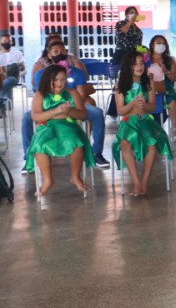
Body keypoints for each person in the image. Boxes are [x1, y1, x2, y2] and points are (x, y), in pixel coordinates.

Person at [22, 39, 110, 172]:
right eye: (56, 51)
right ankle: (29, 157)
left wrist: (70, 107)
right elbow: (43, 96)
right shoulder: (41, 74)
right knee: (27, 118)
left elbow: (81, 94)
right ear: (49, 55)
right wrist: (56, 111)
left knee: (97, 113)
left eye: (63, 51)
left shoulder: (76, 72)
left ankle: (96, 153)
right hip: (48, 107)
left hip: (72, 104)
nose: (60, 54)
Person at [25, 64, 93, 196]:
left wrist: (69, 111)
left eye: (63, 80)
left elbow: (82, 114)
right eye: (56, 80)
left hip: (68, 126)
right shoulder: (40, 95)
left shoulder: (72, 93)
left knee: (77, 143)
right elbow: (36, 116)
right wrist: (55, 112)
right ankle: (47, 180)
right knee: (40, 145)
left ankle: (75, 177)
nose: (60, 83)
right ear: (48, 80)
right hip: (47, 126)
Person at [113, 51, 173, 196]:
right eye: (135, 64)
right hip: (128, 122)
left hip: (145, 120)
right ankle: (136, 181)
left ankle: (145, 180)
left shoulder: (148, 82)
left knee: (152, 144)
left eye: (141, 63)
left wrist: (144, 105)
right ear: (128, 66)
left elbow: (152, 107)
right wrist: (133, 104)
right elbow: (120, 111)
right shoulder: (121, 85)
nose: (139, 67)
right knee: (125, 144)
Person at [147, 35, 176, 142]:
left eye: (163, 43)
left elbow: (174, 77)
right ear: (152, 45)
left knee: (172, 102)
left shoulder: (170, 60)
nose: (160, 45)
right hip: (149, 87)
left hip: (166, 87)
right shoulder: (146, 59)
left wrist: (165, 71)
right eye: (158, 43)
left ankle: (175, 130)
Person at [0, 33, 25, 108]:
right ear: (0, 42)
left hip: (13, 77)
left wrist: (19, 73)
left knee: (14, 66)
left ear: (11, 42)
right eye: (5, 41)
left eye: (9, 41)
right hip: (1, 78)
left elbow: (24, 69)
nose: (7, 43)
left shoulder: (17, 53)